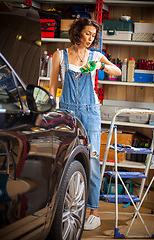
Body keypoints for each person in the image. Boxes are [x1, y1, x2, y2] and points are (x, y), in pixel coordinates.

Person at [49, 17, 121, 231]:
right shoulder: (59, 55)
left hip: (90, 113)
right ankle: (66, 205)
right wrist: (52, 111)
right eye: (87, 33)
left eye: (93, 35)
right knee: (64, 159)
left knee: (92, 160)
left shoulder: (95, 55)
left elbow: (116, 71)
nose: (90, 38)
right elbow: (53, 88)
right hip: (67, 112)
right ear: (78, 31)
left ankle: (93, 211)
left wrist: (101, 65)